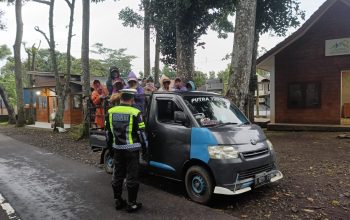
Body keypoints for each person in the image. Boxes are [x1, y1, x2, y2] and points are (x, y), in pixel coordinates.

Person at [106, 89, 148, 213]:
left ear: (120, 98)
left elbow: (108, 133)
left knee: (117, 175)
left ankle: (118, 200)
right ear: (132, 99)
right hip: (132, 150)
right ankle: (132, 203)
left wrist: (111, 148)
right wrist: (145, 148)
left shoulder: (110, 112)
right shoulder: (136, 112)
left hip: (117, 148)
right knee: (132, 176)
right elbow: (141, 133)